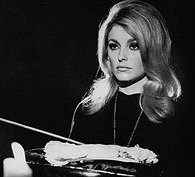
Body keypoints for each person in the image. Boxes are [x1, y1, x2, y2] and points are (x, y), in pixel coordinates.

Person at [68, 0, 182, 176]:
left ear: (152, 50)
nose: (121, 56)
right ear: (106, 54)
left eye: (133, 46)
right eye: (114, 46)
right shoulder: (88, 110)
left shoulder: (171, 116)